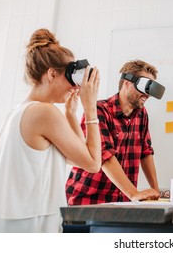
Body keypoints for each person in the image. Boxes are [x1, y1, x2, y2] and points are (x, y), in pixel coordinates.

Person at [0, 29, 101, 233]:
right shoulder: (43, 113)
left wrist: (71, 114)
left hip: (11, 225)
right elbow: (93, 163)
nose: (75, 87)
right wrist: (91, 108)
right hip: (27, 227)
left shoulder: (20, 111)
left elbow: (78, 158)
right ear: (52, 74)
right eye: (71, 78)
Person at [66, 60, 161, 204]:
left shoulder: (141, 114)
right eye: (144, 87)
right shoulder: (99, 110)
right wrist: (134, 193)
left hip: (122, 201)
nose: (147, 95)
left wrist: (156, 192)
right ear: (127, 83)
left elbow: (146, 152)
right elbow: (104, 155)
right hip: (89, 199)